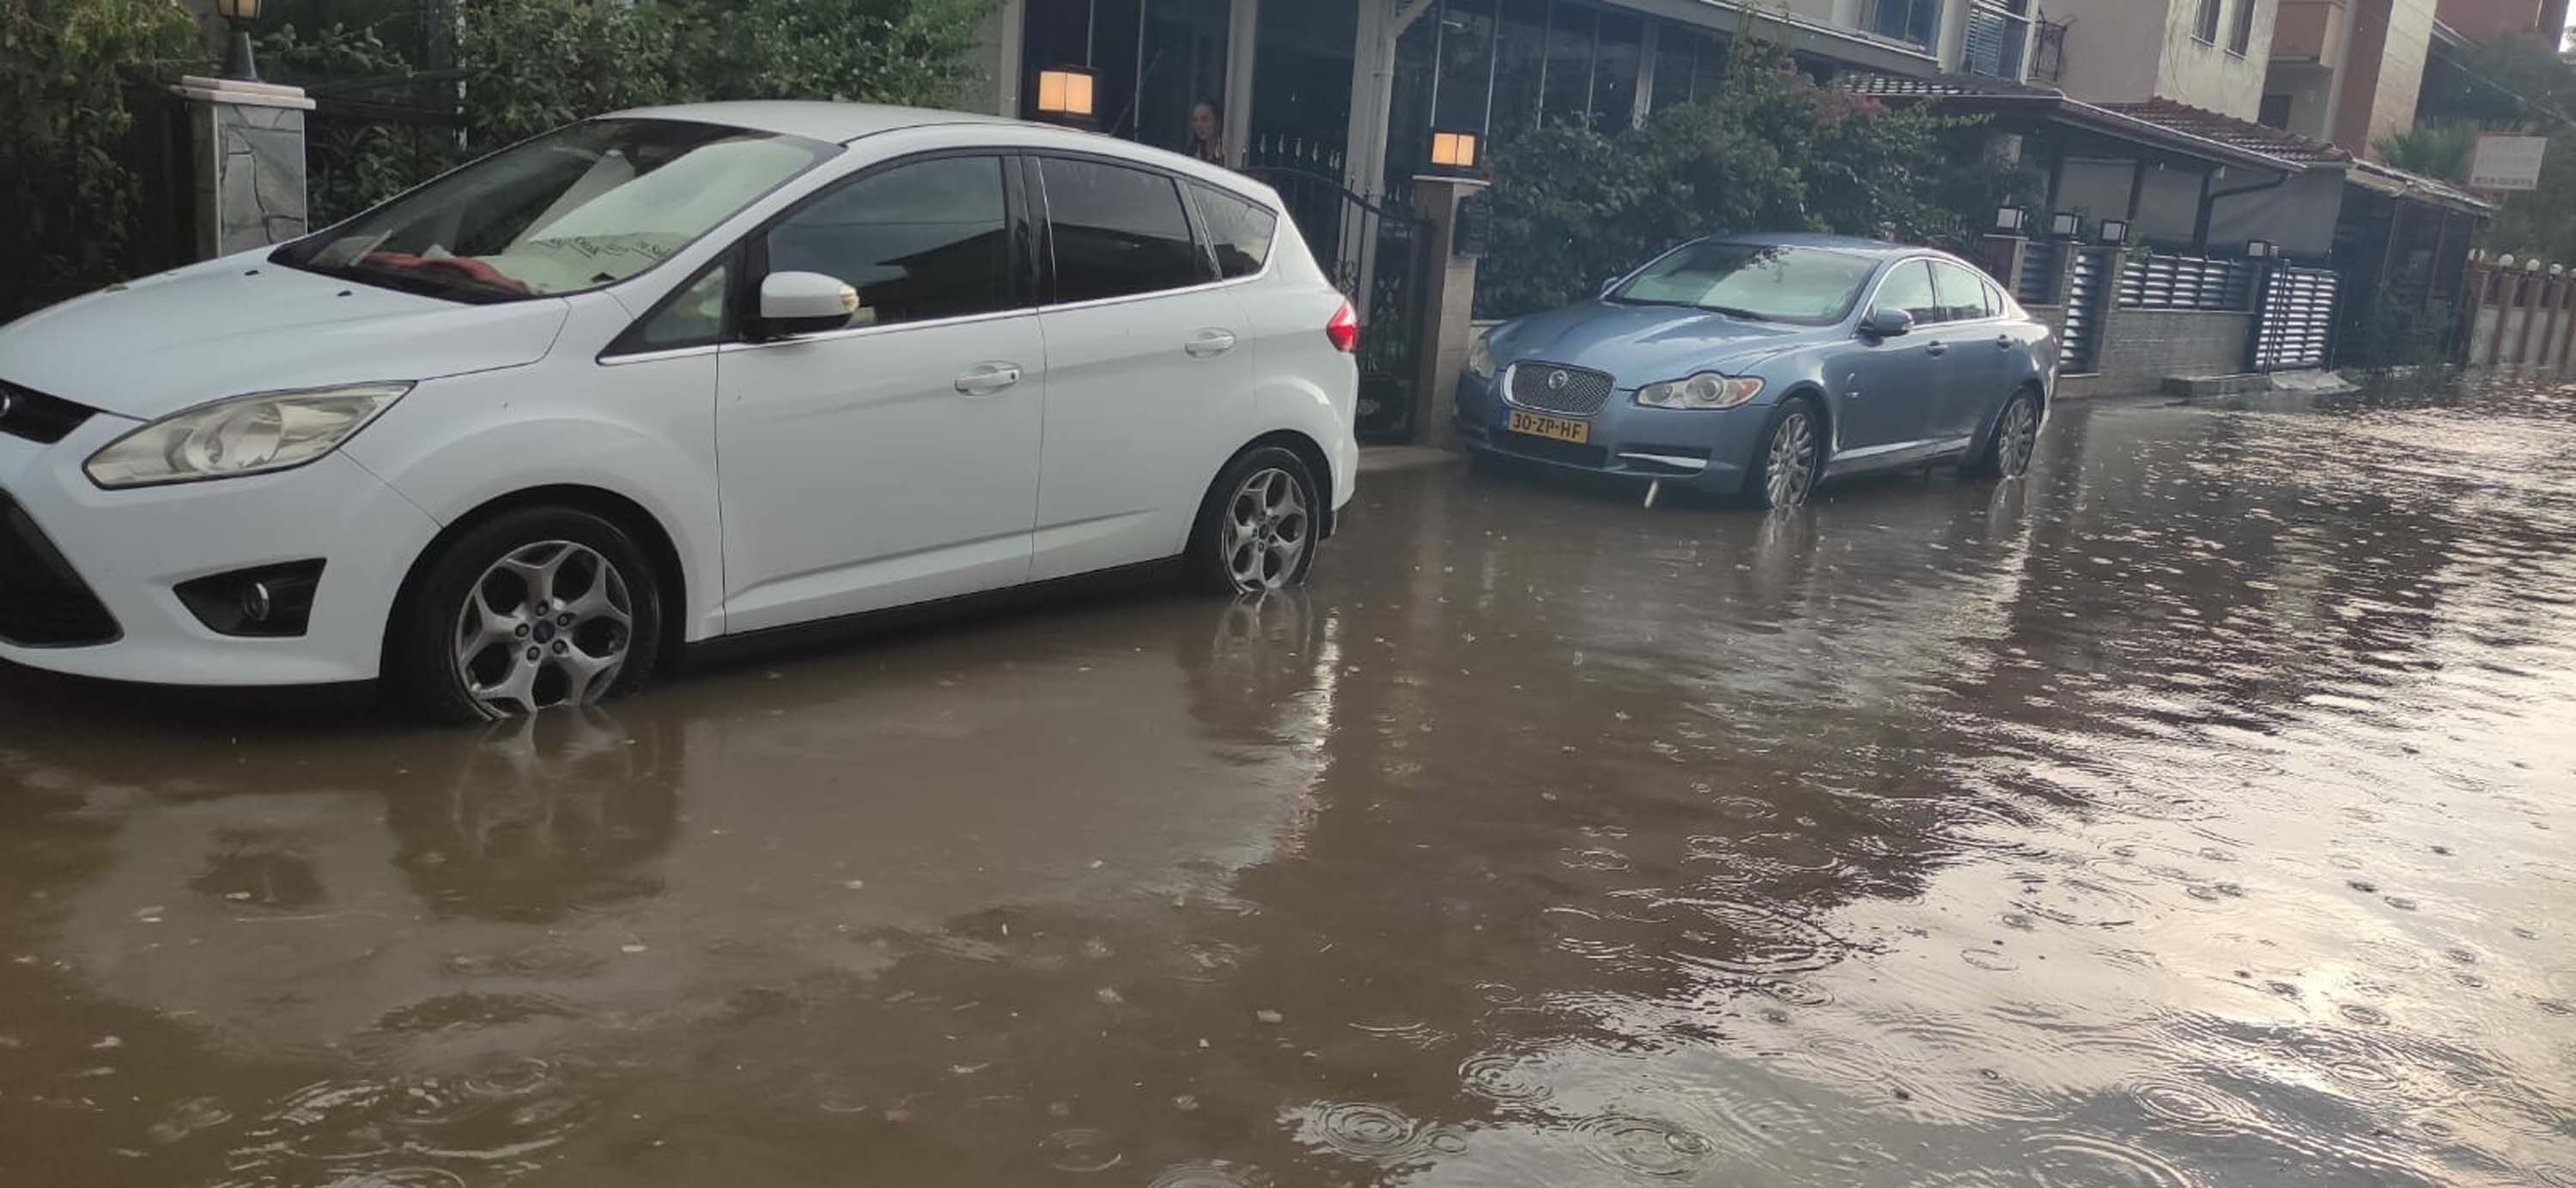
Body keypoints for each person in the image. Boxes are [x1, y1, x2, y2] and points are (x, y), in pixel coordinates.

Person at [1186, 100, 1225, 166]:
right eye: (1195, 120)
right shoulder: (1191, 154)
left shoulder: (1226, 152)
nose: (1199, 125)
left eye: (1204, 119)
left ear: (1218, 123)